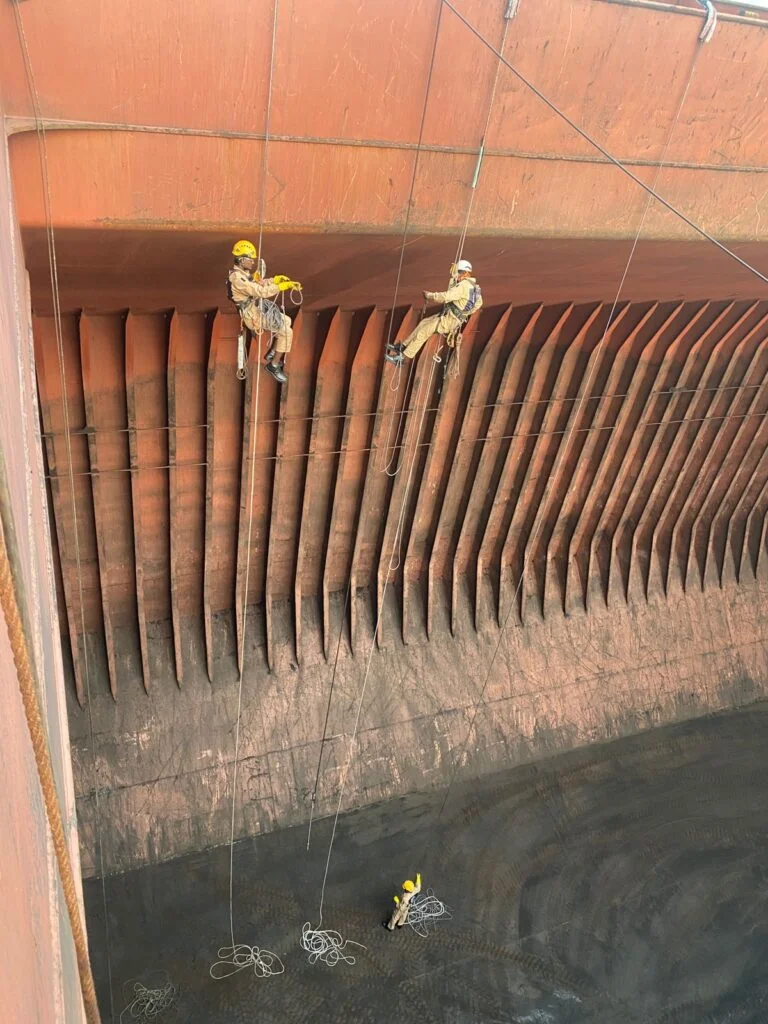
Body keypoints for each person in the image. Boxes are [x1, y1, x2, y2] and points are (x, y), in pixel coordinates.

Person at [227, 239, 301, 383]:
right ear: (241, 260)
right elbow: (260, 291)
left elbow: (258, 283)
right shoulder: (237, 279)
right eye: (250, 259)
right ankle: (273, 366)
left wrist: (276, 280)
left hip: (254, 309)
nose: (253, 262)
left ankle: (273, 351)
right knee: (287, 332)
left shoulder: (242, 274)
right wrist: (281, 287)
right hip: (252, 316)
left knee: (287, 320)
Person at [386, 259, 482, 366]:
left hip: (449, 320)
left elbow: (446, 297)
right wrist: (464, 312)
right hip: (451, 317)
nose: (455, 274)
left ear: (462, 273)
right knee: (424, 322)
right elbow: (478, 304)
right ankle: (403, 346)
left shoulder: (463, 286)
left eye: (457, 272)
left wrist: (430, 296)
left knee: (424, 332)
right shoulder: (475, 287)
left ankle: (401, 358)